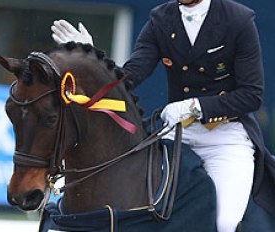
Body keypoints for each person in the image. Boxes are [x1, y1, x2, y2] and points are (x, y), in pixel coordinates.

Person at [51, 0, 275, 231]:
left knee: (224, 223)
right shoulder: (161, 18)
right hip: (179, 135)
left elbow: (252, 95)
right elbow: (130, 76)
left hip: (226, 138)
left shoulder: (238, 19)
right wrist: (91, 58)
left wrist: (195, 106)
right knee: (149, 210)